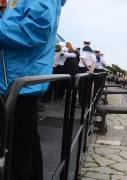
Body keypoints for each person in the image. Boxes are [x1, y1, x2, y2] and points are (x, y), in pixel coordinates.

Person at [0, 0, 67, 179]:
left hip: (17, 80)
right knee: (26, 144)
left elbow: (36, 30)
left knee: (18, 152)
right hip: (18, 78)